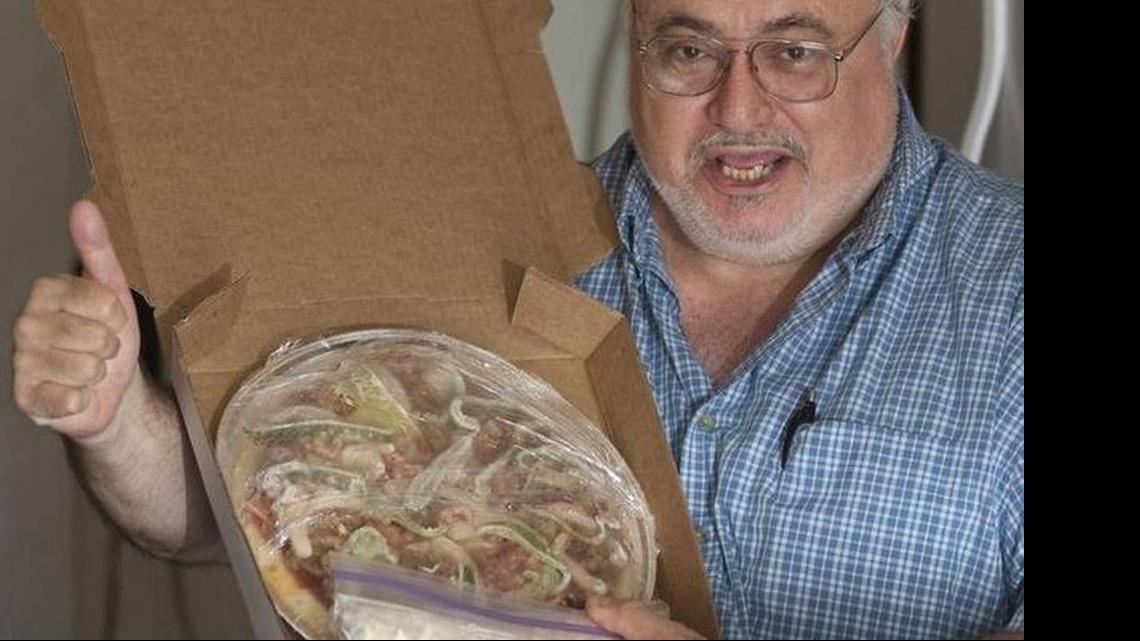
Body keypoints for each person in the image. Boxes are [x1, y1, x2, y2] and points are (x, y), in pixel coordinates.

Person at [11, 0, 1023, 638]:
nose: (739, 109)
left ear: (892, 36)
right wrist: (115, 421)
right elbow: (252, 515)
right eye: (689, 48)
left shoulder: (1011, 292)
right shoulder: (493, 250)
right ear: (635, 37)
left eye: (796, 52)